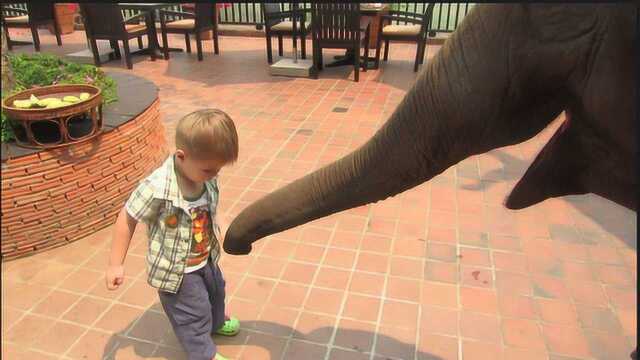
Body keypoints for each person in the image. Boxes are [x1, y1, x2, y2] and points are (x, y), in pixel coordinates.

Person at [106, 109, 240, 360]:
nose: (215, 175)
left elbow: (212, 206)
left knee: (216, 292)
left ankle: (217, 323)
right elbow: (127, 218)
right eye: (210, 170)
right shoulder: (156, 187)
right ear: (181, 156)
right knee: (193, 313)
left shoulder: (204, 174)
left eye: (218, 169)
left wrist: (221, 223)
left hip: (205, 258)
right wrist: (115, 264)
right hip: (177, 272)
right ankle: (203, 353)